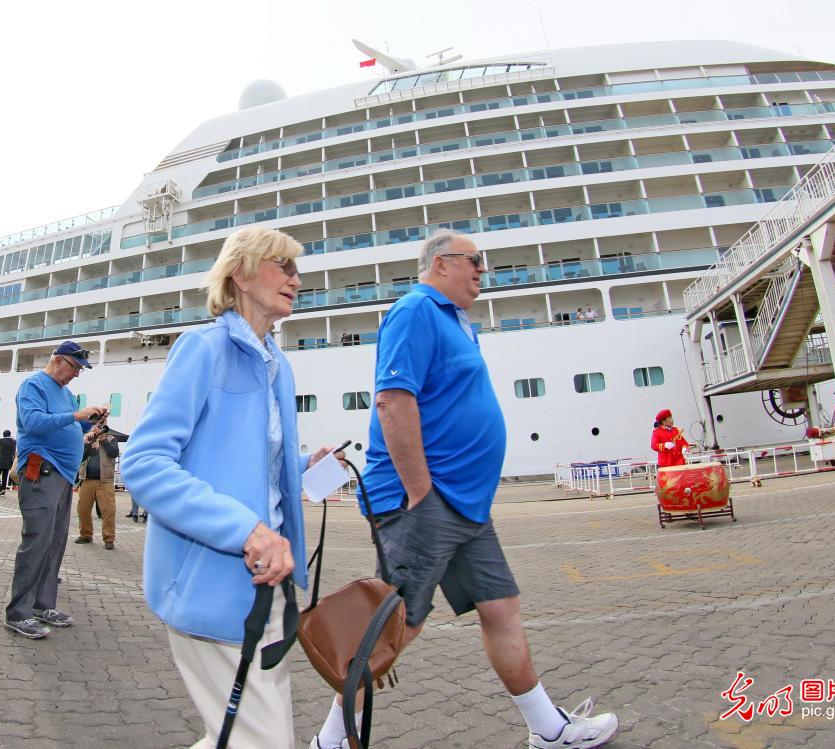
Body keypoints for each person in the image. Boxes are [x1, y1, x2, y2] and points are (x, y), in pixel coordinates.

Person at [309, 230, 618, 749]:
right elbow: (392, 401)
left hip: (466, 507)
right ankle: (328, 742)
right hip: (427, 503)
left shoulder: (457, 321)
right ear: (441, 263)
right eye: (475, 260)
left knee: (501, 608)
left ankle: (548, 730)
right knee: (394, 625)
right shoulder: (416, 310)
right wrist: (419, 491)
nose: (482, 270)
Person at [122, 226, 343, 749]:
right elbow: (145, 463)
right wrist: (247, 530)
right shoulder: (203, 349)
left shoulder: (277, 364)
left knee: (238, 737)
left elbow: (248, 467)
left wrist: (303, 464)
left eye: (297, 269)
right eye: (283, 266)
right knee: (262, 741)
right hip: (215, 586)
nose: (296, 278)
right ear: (240, 274)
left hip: (267, 585)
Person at [3, 341, 105, 639]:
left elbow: (68, 429)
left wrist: (90, 426)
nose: (76, 375)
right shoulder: (33, 385)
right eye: (74, 367)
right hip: (42, 471)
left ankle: (42, 604)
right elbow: (33, 423)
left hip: (61, 475)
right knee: (36, 541)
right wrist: (76, 416)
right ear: (59, 360)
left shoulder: (66, 393)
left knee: (55, 541)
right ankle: (18, 613)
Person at [75, 427, 120, 549]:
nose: (98, 429)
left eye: (101, 427)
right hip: (87, 479)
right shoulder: (87, 438)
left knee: (109, 511)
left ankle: (109, 538)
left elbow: (114, 452)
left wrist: (103, 440)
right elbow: (80, 456)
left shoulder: (111, 439)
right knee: (83, 509)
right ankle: (85, 535)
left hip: (105, 481)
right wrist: (89, 445)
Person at [0, 430, 16, 496]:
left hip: (0, 461)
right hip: (8, 461)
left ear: (3, 435)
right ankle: (3, 489)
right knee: (5, 476)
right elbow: (14, 450)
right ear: (9, 434)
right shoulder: (14, 441)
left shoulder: (1, 440)